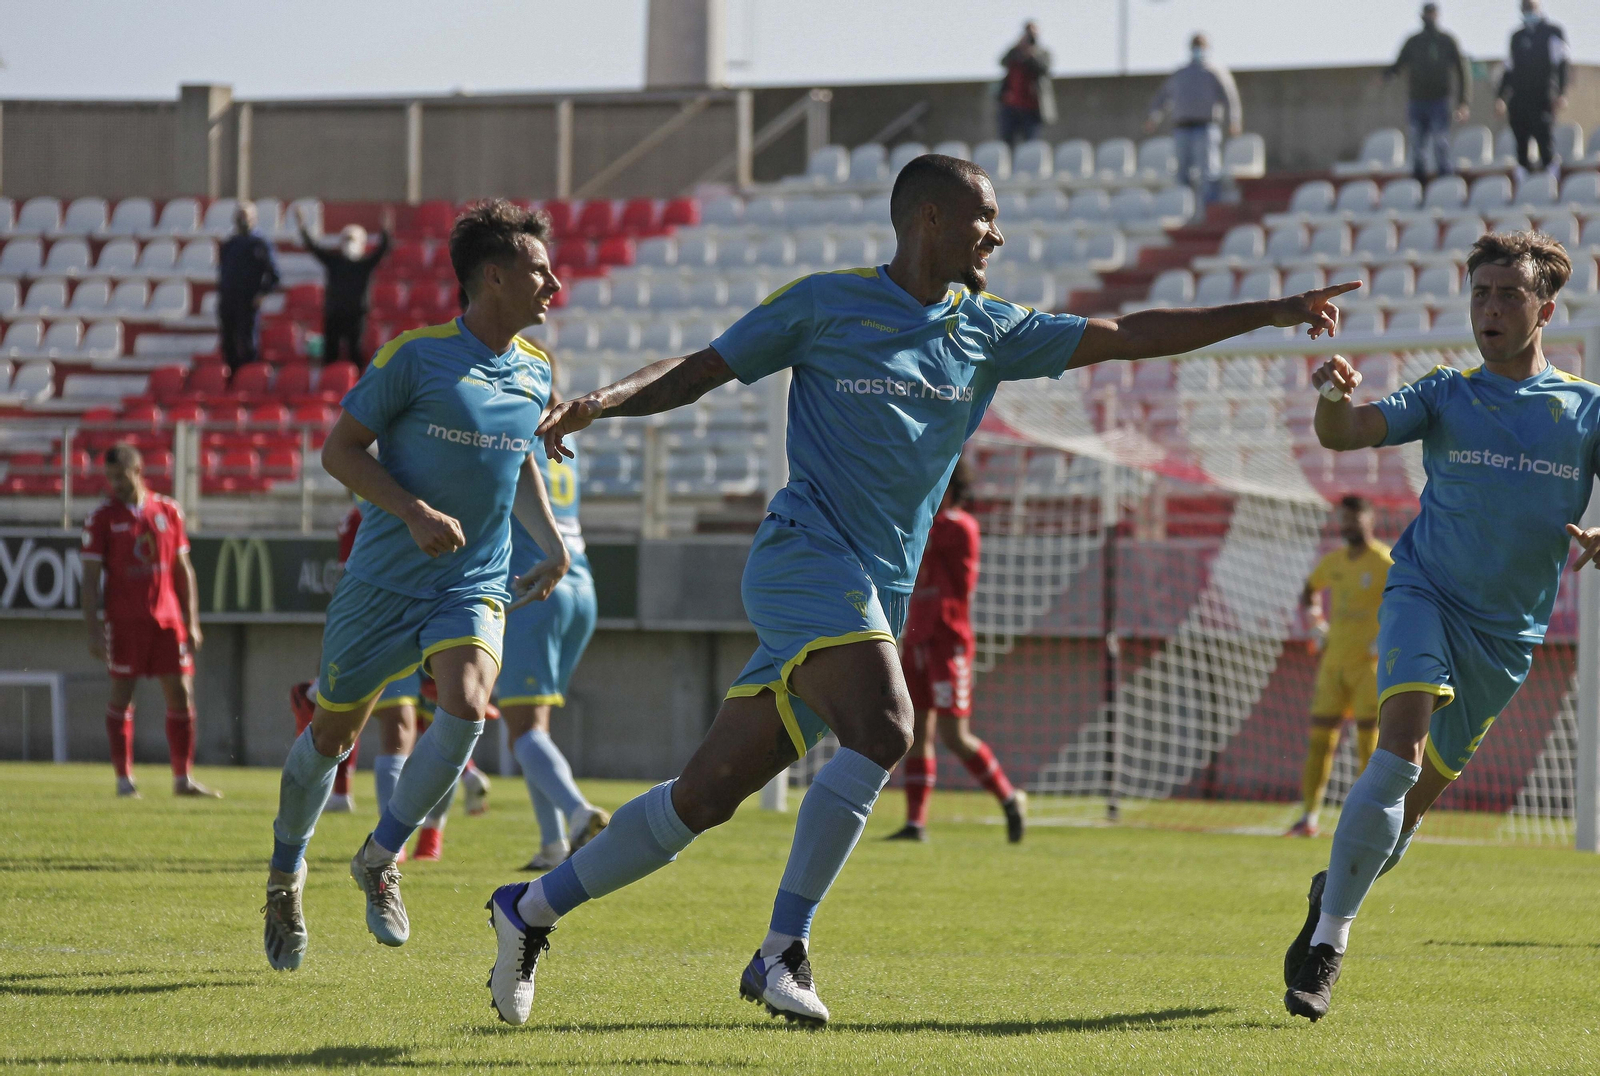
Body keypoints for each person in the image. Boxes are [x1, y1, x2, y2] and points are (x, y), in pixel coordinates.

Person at [481, 152, 1359, 1029]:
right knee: (889, 724)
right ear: (930, 218)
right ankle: (782, 949)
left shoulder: (989, 330)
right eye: (986, 217)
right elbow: (705, 366)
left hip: (870, 592)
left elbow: (1129, 331)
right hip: (802, 557)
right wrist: (601, 400)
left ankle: (529, 911)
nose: (999, 235)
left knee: (704, 797)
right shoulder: (824, 302)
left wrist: (1274, 313)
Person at [1281, 230, 1597, 1022]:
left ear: (1545, 310)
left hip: (1507, 636)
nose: (1490, 308)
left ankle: (1333, 890)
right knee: (1396, 753)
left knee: (1408, 811)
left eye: (1508, 296)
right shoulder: (1444, 392)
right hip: (1424, 593)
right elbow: (1344, 433)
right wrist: (1329, 394)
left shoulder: (1586, 410)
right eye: (1480, 294)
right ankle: (1330, 943)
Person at [261, 200, 571, 973]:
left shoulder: (537, 369)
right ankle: (282, 875)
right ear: (491, 278)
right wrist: (411, 509)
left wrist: (553, 543)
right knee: (332, 740)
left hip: (472, 578)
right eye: (539, 270)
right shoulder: (414, 356)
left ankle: (379, 856)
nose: (555, 284)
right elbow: (341, 450)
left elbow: (517, 457)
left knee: (466, 707)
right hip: (384, 582)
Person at [500, 369, 608, 872]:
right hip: (581, 587)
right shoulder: (567, 443)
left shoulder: (515, 435)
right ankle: (551, 846)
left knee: (522, 728)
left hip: (537, 587)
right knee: (533, 726)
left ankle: (577, 813)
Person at [888, 456, 1026, 844]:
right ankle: (916, 823)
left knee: (954, 734)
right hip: (917, 638)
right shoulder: (928, 525)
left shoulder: (959, 527)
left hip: (949, 643)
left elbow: (921, 529)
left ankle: (1010, 800)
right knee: (915, 730)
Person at [81, 443, 219, 799]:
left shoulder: (168, 511)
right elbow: (89, 579)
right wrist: (94, 630)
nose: (115, 484)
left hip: (168, 620)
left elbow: (183, 569)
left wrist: (192, 621)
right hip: (125, 622)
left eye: (120, 476)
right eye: (110, 477)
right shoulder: (102, 518)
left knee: (181, 693)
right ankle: (124, 781)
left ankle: (182, 779)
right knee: (123, 694)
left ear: (138, 471)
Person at [1285, 495, 1392, 839]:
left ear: (1369, 521)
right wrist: (1316, 622)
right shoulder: (1333, 562)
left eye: (1354, 520)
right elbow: (1308, 591)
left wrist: (1387, 635)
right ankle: (1308, 817)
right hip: (1333, 663)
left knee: (1369, 746)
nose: (1347, 526)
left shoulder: (1385, 561)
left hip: (1369, 666)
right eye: (1343, 520)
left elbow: (1405, 600)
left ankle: (1370, 820)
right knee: (1320, 740)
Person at [1144, 34, 1242, 211]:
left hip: (1206, 127)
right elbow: (1163, 97)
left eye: (1201, 46)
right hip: (1182, 129)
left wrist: (1234, 120)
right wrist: (1153, 117)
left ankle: (1209, 210)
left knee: (1208, 173)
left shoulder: (1215, 72)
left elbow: (1230, 98)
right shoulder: (1181, 73)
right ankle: (1182, 209)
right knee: (1182, 173)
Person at [1385, 3, 1473, 185]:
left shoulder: (1446, 40)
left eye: (1432, 14)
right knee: (1417, 147)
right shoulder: (1414, 41)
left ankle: (1446, 183)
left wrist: (1463, 102)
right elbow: (1399, 64)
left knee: (1441, 144)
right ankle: (1419, 185)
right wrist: (1387, 74)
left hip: (1439, 101)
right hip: (1417, 102)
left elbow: (1462, 70)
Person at [298, 212, 391, 368]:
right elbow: (314, 248)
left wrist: (386, 231)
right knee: (331, 352)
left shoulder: (364, 264)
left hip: (356, 315)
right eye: (346, 239)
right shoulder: (334, 261)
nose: (349, 243)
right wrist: (303, 228)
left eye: (352, 239)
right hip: (334, 313)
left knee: (355, 351)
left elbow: (382, 250)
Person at [1496, 0, 1570, 175]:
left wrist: (1561, 92)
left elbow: (1562, 64)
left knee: (1543, 137)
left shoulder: (1552, 32)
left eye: (1531, 7)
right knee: (1521, 140)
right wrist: (1500, 97)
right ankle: (1523, 176)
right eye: (1525, 8)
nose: (1528, 12)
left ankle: (1551, 176)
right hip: (1519, 97)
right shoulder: (1517, 37)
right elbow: (1509, 69)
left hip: (1542, 94)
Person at [217, 203, 280, 373]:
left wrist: (262, 294)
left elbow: (274, 274)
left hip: (248, 301)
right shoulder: (230, 244)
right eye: (239, 216)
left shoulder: (260, 244)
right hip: (229, 300)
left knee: (248, 342)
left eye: (246, 216)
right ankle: (233, 377)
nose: (242, 220)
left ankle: (250, 378)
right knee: (228, 342)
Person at [997, 21, 1054, 147]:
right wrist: (1016, 47)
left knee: (1031, 143)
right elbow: (1002, 62)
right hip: (1011, 106)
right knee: (1006, 143)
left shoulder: (1042, 53)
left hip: (1032, 107)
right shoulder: (1015, 52)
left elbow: (1044, 69)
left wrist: (1031, 55)